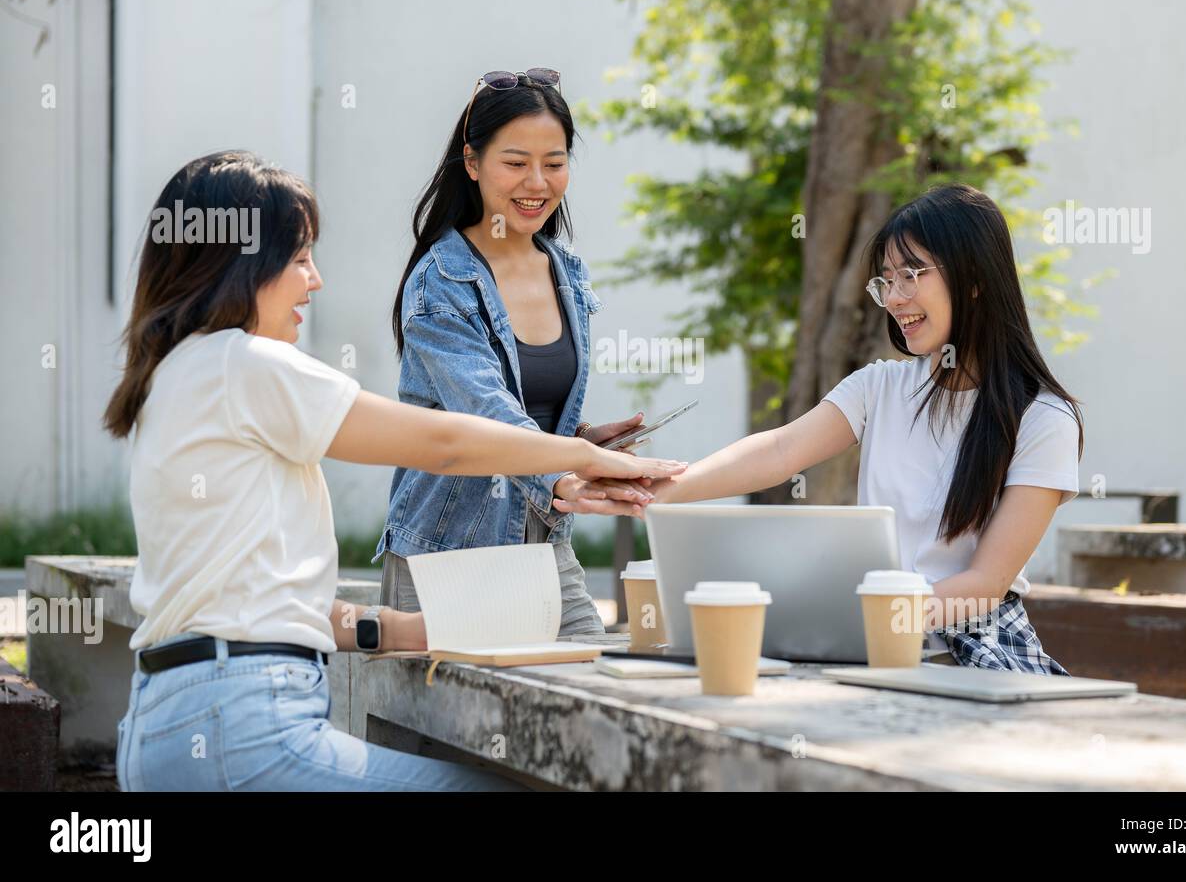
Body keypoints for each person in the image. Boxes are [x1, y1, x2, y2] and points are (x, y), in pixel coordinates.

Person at [106, 150, 686, 790]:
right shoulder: (243, 365)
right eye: (298, 258)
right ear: (237, 264)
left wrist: (414, 628)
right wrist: (578, 455)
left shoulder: (175, 378)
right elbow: (440, 443)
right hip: (242, 727)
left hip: (172, 723)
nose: (315, 280)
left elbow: (253, 602)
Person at [602, 184, 1082, 674]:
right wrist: (654, 490)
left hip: (977, 646)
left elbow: (983, 584)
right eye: (886, 281)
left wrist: (876, 618)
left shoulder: (1043, 419)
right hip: (876, 641)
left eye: (911, 275)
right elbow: (780, 450)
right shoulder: (880, 386)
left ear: (975, 277)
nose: (894, 298)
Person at [378, 68, 650, 633]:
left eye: (554, 163)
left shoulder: (567, 272)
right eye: (515, 162)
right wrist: (569, 469)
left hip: (546, 546)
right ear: (472, 164)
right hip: (448, 554)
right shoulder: (440, 282)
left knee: (590, 691)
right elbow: (486, 414)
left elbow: (529, 412)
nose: (537, 182)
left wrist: (575, 441)